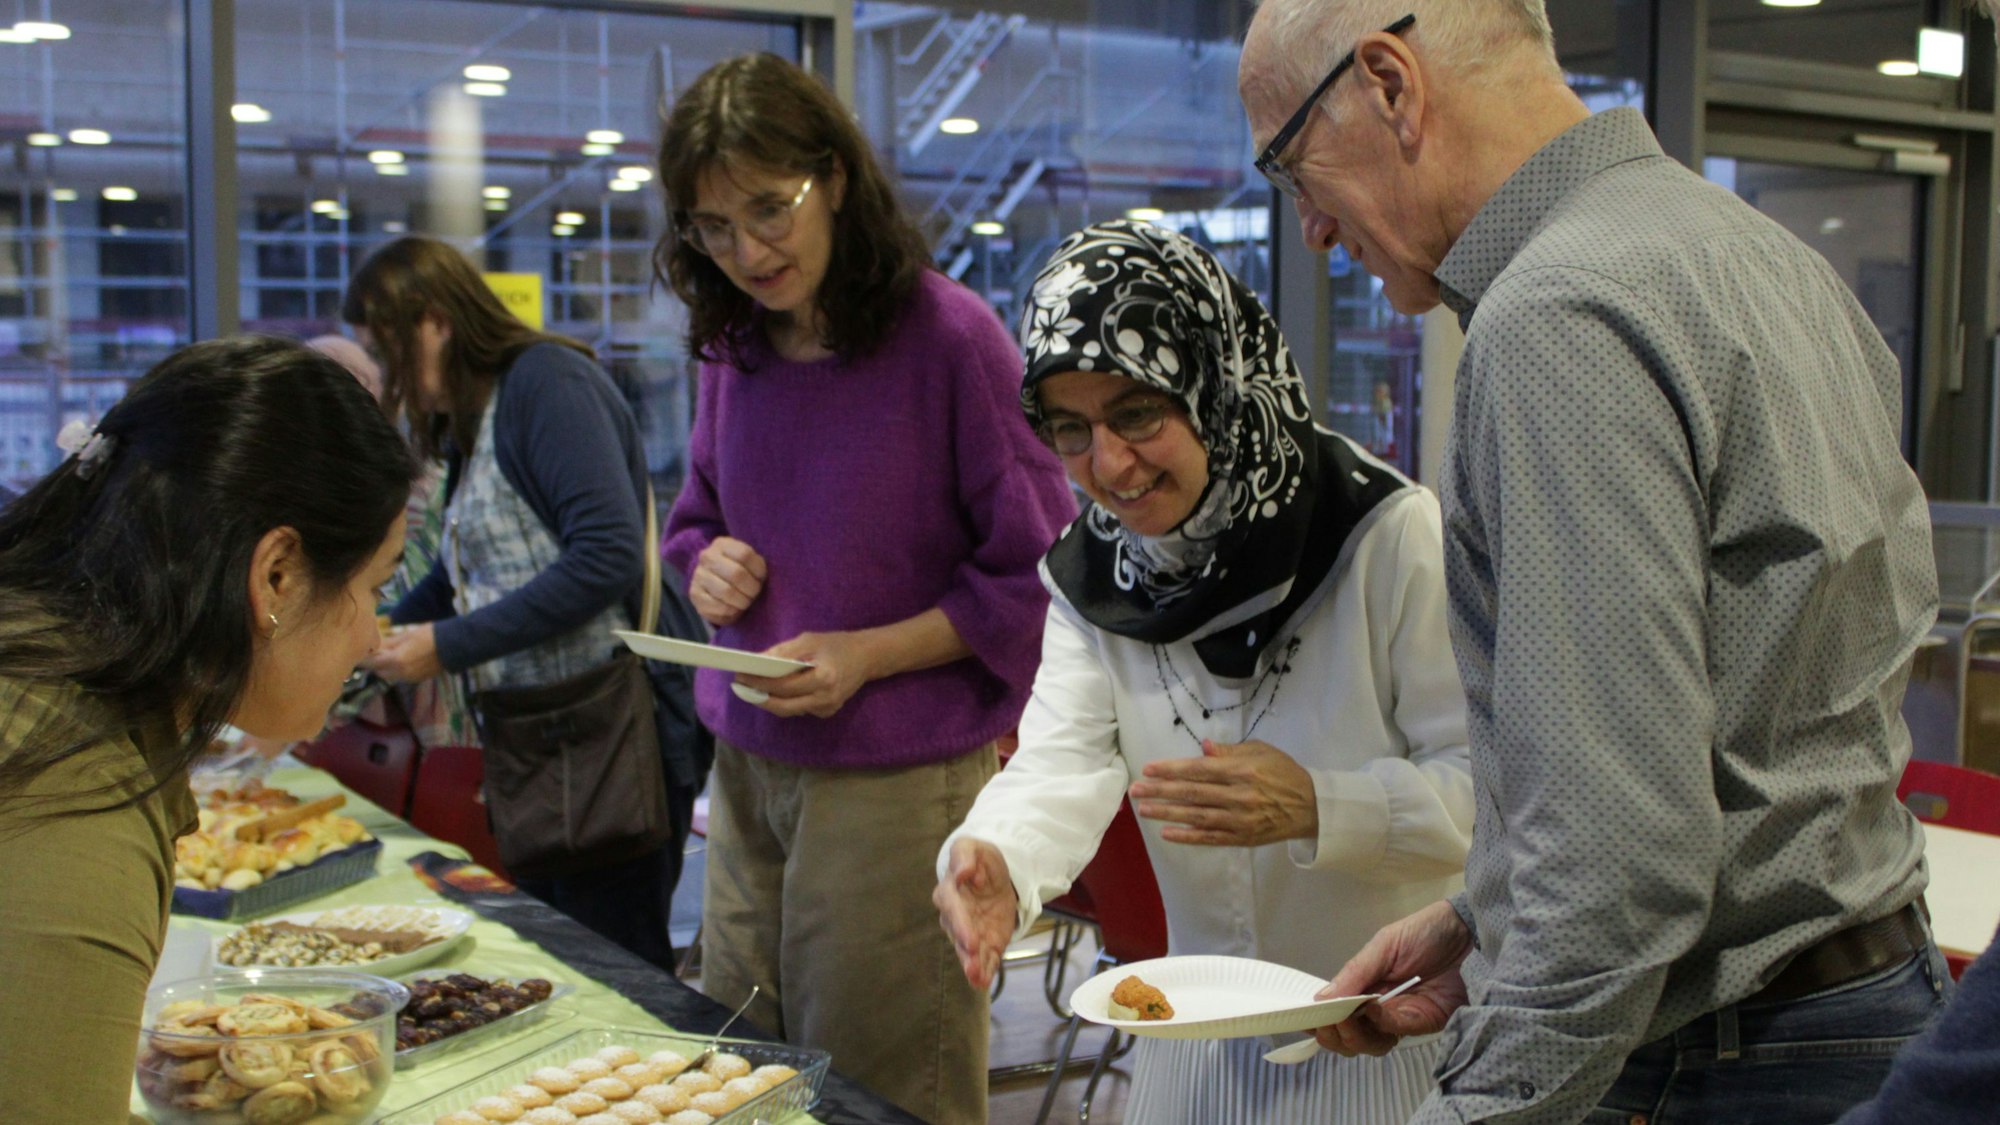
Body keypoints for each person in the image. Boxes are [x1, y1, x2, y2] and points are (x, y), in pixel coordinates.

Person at [1238, 3, 1949, 1122]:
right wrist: (1482, 918)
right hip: (1867, 998)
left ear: (1387, 82)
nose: (1312, 230)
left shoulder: (1557, 317)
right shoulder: (1752, 255)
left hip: (1725, 1052)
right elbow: (1751, 713)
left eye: (1289, 167)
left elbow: (1621, 874)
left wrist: (1468, 1106)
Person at [934, 219, 1474, 1123]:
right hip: (1193, 1054)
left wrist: (1321, 804)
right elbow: (1061, 763)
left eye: (1137, 413)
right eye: (1070, 430)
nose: (1108, 467)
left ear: (1212, 380)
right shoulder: (1092, 571)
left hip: (1380, 1040)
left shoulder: (1384, 535)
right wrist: (997, 856)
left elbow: (1490, 796)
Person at [654, 52, 1075, 1123]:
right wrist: (703, 563)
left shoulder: (948, 341)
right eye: (712, 227)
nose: (746, 251)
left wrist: (866, 654)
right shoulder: (731, 347)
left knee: (885, 1085)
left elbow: (1037, 575)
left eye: (768, 209)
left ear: (834, 178)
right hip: (746, 772)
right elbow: (690, 520)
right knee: (740, 1073)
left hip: (898, 782)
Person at [0, 336, 415, 1122]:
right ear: (277, 576)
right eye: (373, 584)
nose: (373, 634)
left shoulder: (55, 675)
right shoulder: (72, 787)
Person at [346, 236, 694, 970]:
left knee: (618, 966)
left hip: (608, 732)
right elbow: (460, 570)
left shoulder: (546, 383)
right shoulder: (477, 415)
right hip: (543, 738)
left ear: (436, 321)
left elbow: (604, 553)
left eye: (387, 349)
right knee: (561, 959)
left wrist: (444, 644)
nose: (386, 375)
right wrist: (367, 638)